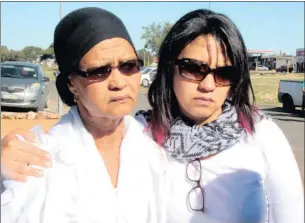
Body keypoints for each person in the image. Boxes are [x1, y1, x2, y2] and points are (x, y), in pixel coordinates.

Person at [2, 9, 304, 223]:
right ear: (169, 68)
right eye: (193, 68)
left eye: (225, 72)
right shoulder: (146, 133)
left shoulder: (259, 134)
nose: (208, 84)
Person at [1, 7, 167, 223]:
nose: (118, 82)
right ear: (72, 84)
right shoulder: (38, 158)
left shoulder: (157, 146)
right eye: (99, 71)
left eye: (128, 66)